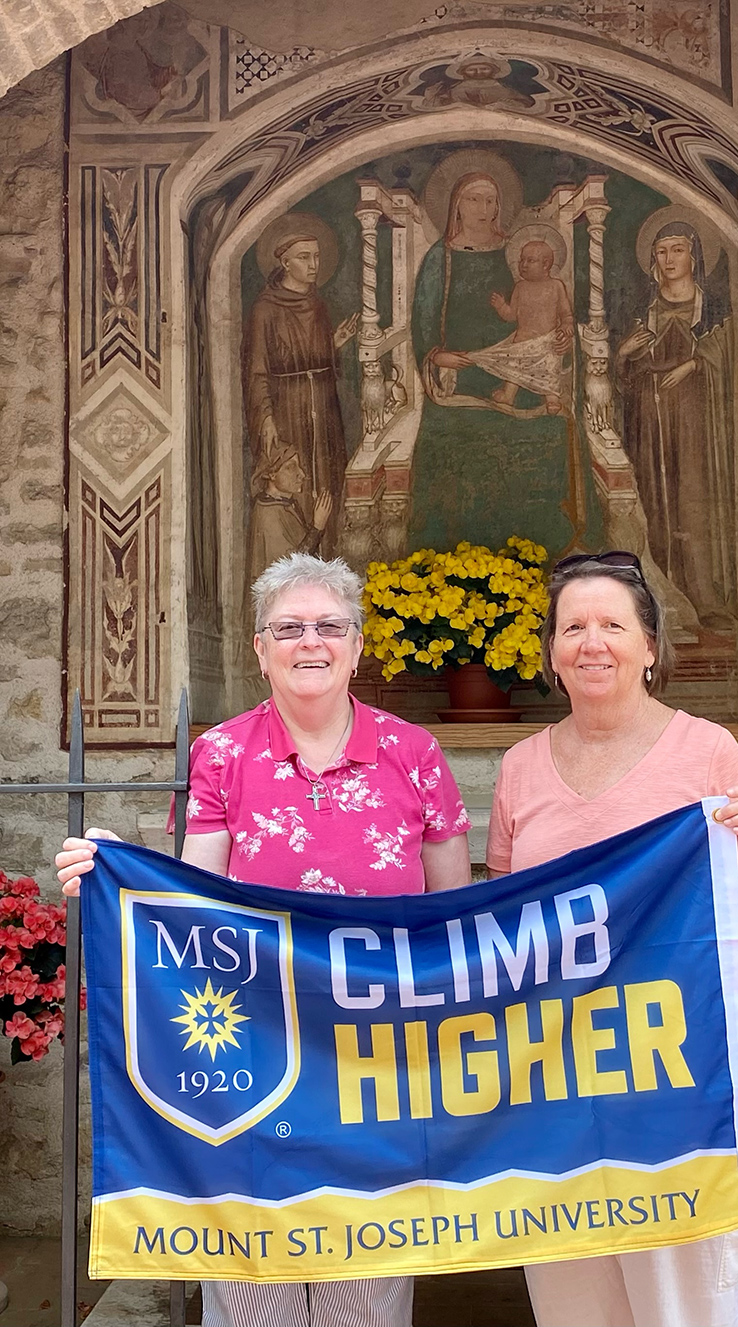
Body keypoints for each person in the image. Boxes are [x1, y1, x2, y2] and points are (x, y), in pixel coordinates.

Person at [56, 552, 472, 1327]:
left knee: (366, 1290)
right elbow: (190, 905)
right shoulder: (224, 752)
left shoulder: (413, 755)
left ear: (356, 642)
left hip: (377, 1062)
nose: (308, 641)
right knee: (253, 1285)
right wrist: (114, 871)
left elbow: (453, 916)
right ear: (260, 646)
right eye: (289, 627)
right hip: (257, 1058)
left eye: (329, 626)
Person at [486, 551, 738, 1327]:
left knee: (692, 1302)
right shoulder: (521, 767)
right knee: (573, 1302)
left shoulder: (706, 750)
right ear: (551, 651)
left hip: (688, 1069)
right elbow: (501, 923)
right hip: (559, 1072)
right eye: (573, 626)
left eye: (613, 625)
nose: (592, 642)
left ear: (651, 647)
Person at [409, 168, 598, 553]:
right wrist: (437, 355)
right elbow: (423, 319)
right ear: (456, 207)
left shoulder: (519, 254)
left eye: (491, 200)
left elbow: (553, 310)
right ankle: (454, 550)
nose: (484, 208)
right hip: (462, 373)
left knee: (546, 430)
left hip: (525, 370)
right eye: (474, 199)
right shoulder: (440, 257)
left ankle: (537, 544)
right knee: (451, 442)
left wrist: (562, 340)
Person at [617, 221, 737, 630]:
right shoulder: (641, 308)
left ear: (694, 255)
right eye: (662, 252)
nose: (669, 260)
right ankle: (655, 598)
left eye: (677, 250)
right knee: (654, 498)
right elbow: (620, 375)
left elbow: (730, 352)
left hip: (698, 419)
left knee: (694, 497)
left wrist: (694, 362)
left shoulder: (714, 307)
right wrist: (624, 353)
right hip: (649, 419)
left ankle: (705, 596)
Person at [241, 234, 359, 550]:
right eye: (304, 257)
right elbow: (257, 369)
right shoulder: (265, 309)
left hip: (323, 404)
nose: (313, 265)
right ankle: (300, 559)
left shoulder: (318, 305)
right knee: (297, 478)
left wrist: (333, 345)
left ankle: (328, 556)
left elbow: (313, 361)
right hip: (286, 405)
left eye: (317, 256)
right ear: (285, 263)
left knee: (327, 476)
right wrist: (265, 416)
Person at [483, 238, 573, 413]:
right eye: (521, 260)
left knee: (549, 367)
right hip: (522, 341)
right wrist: (501, 306)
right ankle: (509, 396)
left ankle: (552, 398)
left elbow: (566, 314)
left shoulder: (556, 286)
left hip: (547, 341)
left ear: (546, 264)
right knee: (514, 367)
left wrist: (567, 326)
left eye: (530, 260)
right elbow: (511, 316)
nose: (523, 265)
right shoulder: (520, 287)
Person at [247, 446, 334, 584]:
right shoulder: (268, 513)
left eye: (298, 466)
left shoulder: (286, 504)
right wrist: (317, 527)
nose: (301, 474)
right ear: (271, 474)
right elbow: (288, 568)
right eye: (291, 467)